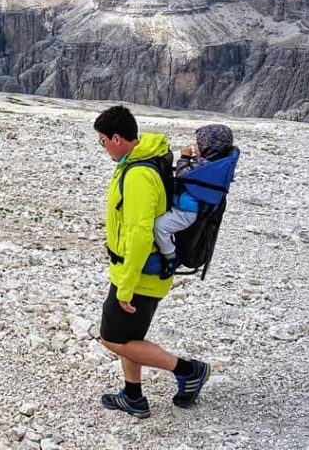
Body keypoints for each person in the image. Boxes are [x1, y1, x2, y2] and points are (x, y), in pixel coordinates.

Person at [94, 104, 210, 418]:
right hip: (137, 271)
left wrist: (126, 286)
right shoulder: (142, 159)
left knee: (112, 339)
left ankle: (188, 370)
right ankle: (133, 396)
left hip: (139, 275)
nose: (103, 147)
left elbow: (141, 233)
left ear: (116, 138)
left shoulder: (139, 174)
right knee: (130, 337)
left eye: (103, 140)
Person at [153, 124, 235, 279]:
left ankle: (170, 258)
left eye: (198, 144)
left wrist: (184, 158)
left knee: (159, 227)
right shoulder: (215, 164)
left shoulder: (203, 165)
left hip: (186, 212)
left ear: (209, 147)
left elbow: (182, 175)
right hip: (189, 208)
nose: (195, 147)